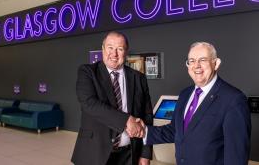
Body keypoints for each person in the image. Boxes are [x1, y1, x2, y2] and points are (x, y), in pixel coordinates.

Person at [143, 42, 251, 165]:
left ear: (216, 63)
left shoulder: (233, 99)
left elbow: (236, 156)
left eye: (203, 60)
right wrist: (143, 132)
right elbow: (175, 131)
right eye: (192, 61)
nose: (197, 66)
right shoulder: (185, 94)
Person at [71, 31, 153, 165]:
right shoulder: (88, 72)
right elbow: (89, 103)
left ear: (126, 52)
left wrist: (145, 154)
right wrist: (127, 120)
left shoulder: (139, 78)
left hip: (129, 154)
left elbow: (147, 116)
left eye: (119, 49)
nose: (114, 54)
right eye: (110, 47)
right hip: (94, 153)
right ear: (103, 49)